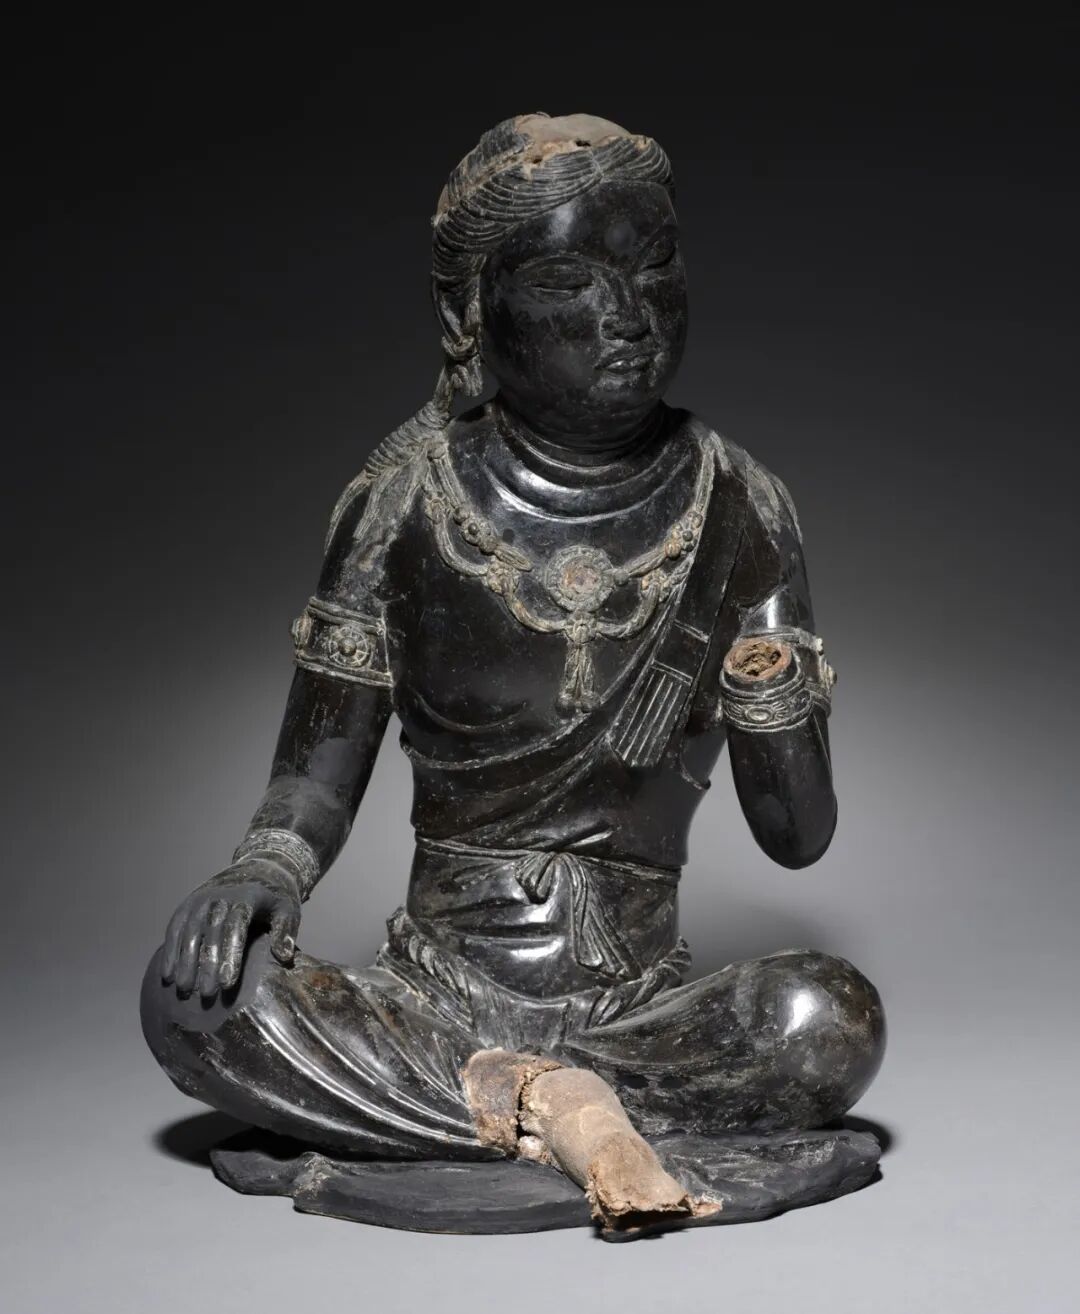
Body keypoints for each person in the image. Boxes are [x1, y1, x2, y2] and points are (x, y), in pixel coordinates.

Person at [141, 113, 884, 1230]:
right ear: (469, 314)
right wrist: (261, 876)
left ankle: (512, 1111)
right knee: (194, 1003)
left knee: (827, 1019)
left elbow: (798, 836)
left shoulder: (742, 506)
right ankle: (584, 1122)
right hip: (434, 996)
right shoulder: (406, 501)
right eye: (568, 282)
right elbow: (314, 779)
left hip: (638, 1003)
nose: (626, 314)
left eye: (654, 266)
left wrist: (768, 682)